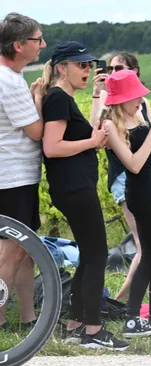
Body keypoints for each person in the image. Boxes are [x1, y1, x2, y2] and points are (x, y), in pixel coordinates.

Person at [40, 41, 128, 349]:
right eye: (81, 65)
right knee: (97, 255)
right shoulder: (58, 98)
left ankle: (75, 323)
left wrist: (93, 140)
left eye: (89, 65)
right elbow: (52, 147)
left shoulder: (62, 98)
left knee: (90, 255)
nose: (87, 70)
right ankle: (93, 330)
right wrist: (91, 143)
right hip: (74, 188)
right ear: (62, 67)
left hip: (74, 187)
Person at [101, 69, 151, 337]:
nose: (140, 99)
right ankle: (138, 318)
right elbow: (133, 164)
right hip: (140, 193)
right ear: (120, 100)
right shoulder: (111, 126)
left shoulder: (138, 116)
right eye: (135, 96)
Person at [91, 52, 151, 302]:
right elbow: (96, 133)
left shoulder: (141, 106)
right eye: (110, 69)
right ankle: (123, 303)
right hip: (127, 180)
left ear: (135, 71)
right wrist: (96, 93)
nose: (113, 73)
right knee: (144, 246)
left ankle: (137, 305)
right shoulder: (110, 112)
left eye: (119, 68)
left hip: (148, 181)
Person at [0, 13, 45, 328]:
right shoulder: (11, 82)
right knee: (12, 251)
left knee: (25, 250)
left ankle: (28, 317)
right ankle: (0, 318)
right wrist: (40, 100)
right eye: (37, 39)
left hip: (15, 176)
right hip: (13, 177)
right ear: (18, 45)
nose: (42, 44)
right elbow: (36, 132)